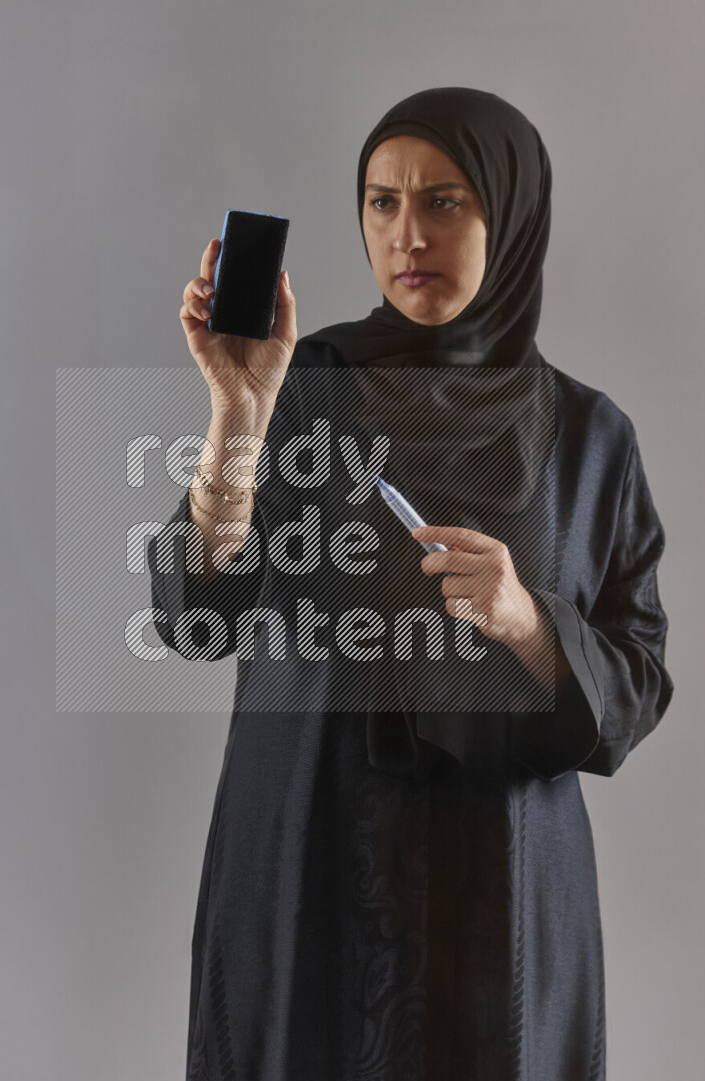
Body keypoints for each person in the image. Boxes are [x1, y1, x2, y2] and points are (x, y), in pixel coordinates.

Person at [148, 88, 673, 1081]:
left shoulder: (585, 438)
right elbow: (195, 616)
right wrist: (236, 413)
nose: (405, 234)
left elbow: (635, 679)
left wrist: (526, 620)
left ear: (507, 215)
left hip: (497, 891)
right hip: (303, 860)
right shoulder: (300, 389)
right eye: (380, 203)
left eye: (444, 201)